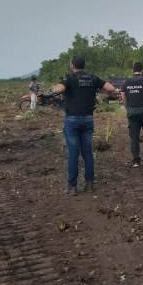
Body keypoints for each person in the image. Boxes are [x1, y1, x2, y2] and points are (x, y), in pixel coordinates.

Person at [52, 56, 116, 195]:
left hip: (72, 120)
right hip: (88, 119)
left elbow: (58, 89)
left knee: (73, 153)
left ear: (72, 65)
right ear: (83, 65)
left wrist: (56, 87)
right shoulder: (92, 78)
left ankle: (72, 187)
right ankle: (89, 184)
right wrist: (97, 90)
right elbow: (110, 88)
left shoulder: (70, 78)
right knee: (87, 152)